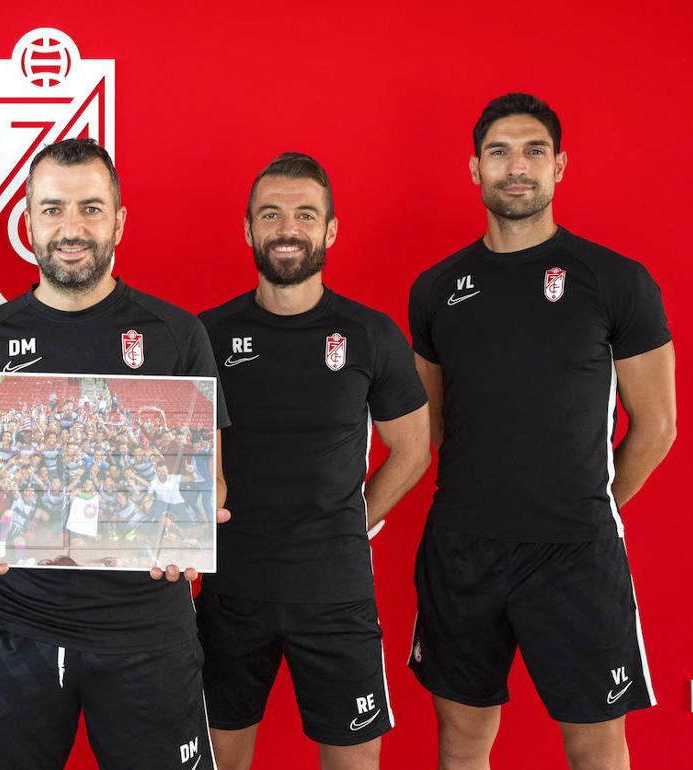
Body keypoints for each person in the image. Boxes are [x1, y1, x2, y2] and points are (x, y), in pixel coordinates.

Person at [0, 138, 229, 770]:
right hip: (11, 631)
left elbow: (212, 484)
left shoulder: (177, 335)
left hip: (147, 635)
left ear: (119, 220)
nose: (72, 228)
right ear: (28, 222)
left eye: (91, 208)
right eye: (53, 208)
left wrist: (189, 530)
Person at [407, 93, 676, 770]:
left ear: (560, 165)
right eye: (499, 152)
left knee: (595, 745)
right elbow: (433, 422)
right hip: (462, 549)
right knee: (463, 740)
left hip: (576, 556)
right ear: (475, 169)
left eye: (532, 151)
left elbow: (659, 425)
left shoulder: (616, 281)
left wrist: (595, 509)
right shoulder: (437, 288)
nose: (516, 167)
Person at [196, 152, 430, 770]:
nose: (287, 228)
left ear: (330, 230)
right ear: (248, 229)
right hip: (228, 591)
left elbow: (412, 450)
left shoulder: (371, 334)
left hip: (335, 595)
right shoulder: (204, 336)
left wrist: (353, 518)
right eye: (270, 214)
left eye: (305, 214)